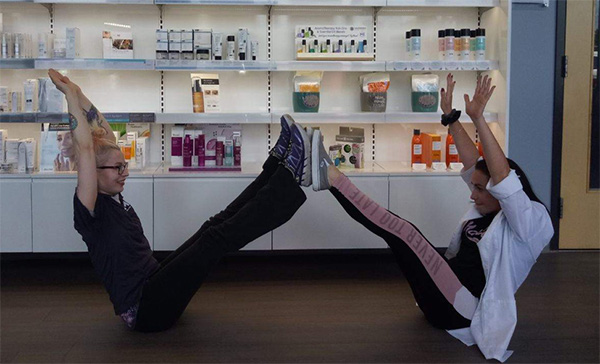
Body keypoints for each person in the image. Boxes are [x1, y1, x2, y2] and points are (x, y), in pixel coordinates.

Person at [48, 68, 313, 333]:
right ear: (92, 173)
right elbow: (85, 149)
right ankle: (290, 179)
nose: (124, 172)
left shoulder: (111, 190)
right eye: (117, 168)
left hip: (155, 284)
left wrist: (79, 92)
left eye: (124, 165)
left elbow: (104, 131)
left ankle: (277, 166)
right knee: (214, 240)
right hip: (147, 310)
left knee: (213, 226)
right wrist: (69, 95)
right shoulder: (89, 210)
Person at [310, 73, 554, 362]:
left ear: (500, 190)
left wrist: (478, 119)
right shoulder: (488, 208)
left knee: (404, 232)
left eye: (479, 188)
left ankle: (331, 177)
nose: (471, 194)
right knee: (399, 237)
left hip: (463, 309)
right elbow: (471, 163)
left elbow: (501, 176)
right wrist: (451, 117)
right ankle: (326, 175)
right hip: (439, 298)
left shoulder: (532, 223)